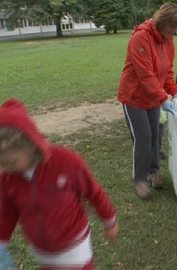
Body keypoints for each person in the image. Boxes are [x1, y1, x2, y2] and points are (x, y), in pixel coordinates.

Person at [0, 98, 118, 270]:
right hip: (41, 252)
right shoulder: (8, 178)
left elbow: (94, 192)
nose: (5, 167)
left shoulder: (67, 162)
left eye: (11, 161)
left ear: (30, 144)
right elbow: (7, 211)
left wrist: (109, 221)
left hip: (75, 250)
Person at [116, 2, 177, 199]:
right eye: (172, 27)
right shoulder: (140, 38)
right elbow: (146, 75)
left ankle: (153, 172)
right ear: (162, 22)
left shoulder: (168, 41)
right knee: (143, 137)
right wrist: (162, 97)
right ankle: (139, 179)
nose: (174, 32)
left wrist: (174, 92)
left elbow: (166, 72)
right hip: (134, 97)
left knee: (155, 137)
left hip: (153, 96)